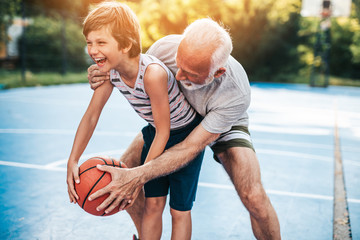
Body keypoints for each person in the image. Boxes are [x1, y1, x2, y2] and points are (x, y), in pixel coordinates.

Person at [87, 18, 281, 239]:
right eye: (178, 65)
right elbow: (134, 76)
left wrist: (139, 176)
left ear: (217, 73)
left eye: (190, 74)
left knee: (253, 196)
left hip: (220, 124)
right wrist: (106, 70)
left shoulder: (236, 94)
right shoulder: (163, 48)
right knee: (124, 172)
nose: (178, 76)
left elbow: (191, 146)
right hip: (176, 120)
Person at [66, 2, 205, 240]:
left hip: (184, 136)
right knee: (152, 205)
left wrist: (139, 176)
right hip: (155, 135)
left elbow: (165, 130)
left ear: (126, 44)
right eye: (89, 42)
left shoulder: (152, 74)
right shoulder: (111, 72)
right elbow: (91, 115)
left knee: (179, 210)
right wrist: (73, 159)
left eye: (101, 42)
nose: (92, 49)